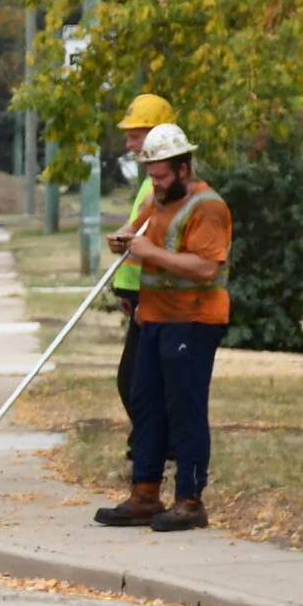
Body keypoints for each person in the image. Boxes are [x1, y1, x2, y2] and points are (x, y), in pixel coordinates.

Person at [95, 123, 230, 532]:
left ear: (184, 169)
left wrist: (148, 250)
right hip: (154, 318)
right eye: (151, 176)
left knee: (183, 408)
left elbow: (206, 267)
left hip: (192, 321)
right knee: (146, 402)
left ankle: (190, 500)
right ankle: (145, 493)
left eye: (163, 175)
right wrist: (123, 239)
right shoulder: (157, 200)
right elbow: (136, 232)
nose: (156, 183)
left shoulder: (207, 207)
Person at [110, 94, 176, 420]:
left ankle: (153, 453)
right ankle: (147, 451)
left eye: (135, 135)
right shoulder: (149, 183)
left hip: (155, 296)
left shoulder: (165, 187)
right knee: (134, 382)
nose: (128, 143)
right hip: (139, 295)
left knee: (138, 383)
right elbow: (138, 230)